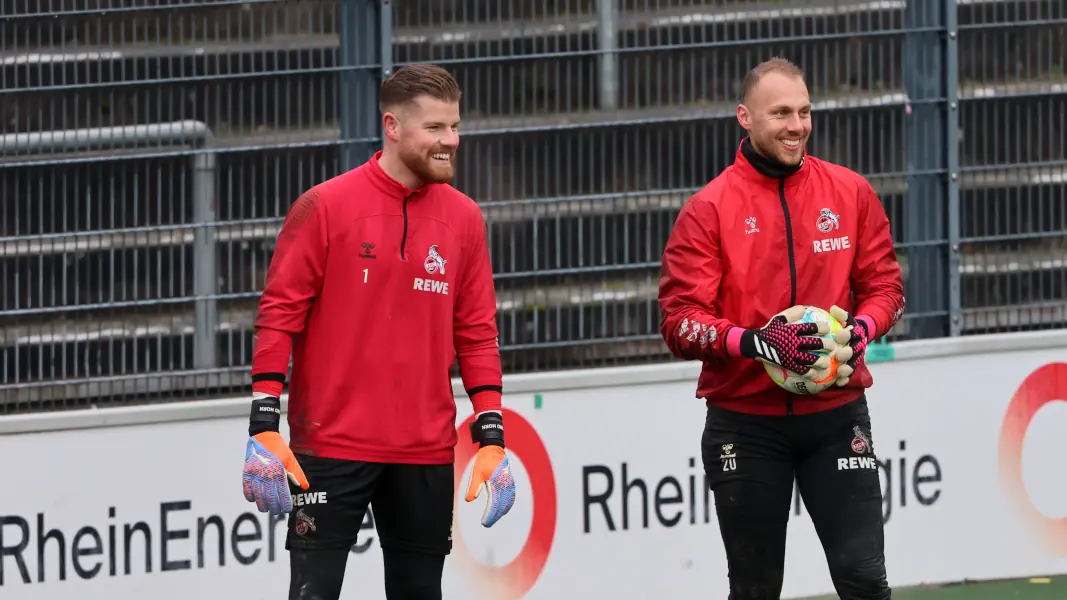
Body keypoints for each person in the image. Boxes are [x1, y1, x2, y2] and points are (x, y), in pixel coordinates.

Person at [240, 63, 517, 600]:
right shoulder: (324, 207)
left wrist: (492, 438)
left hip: (425, 451)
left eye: (455, 126)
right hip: (330, 445)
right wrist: (263, 424)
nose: (450, 141)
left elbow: (478, 335)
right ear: (392, 126)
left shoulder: (465, 219)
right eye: (435, 128)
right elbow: (279, 315)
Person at [657, 57, 906, 600]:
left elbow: (886, 289)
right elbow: (679, 322)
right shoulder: (708, 210)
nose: (797, 125)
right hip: (745, 427)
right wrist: (755, 342)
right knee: (755, 588)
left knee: (865, 580)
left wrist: (863, 330)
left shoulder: (851, 192)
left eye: (804, 111)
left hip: (837, 418)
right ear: (744, 117)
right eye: (781, 113)